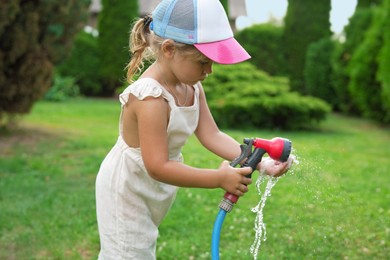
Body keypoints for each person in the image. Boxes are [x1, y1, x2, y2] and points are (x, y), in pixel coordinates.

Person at [95, 0, 293, 259]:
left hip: (153, 185)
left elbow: (212, 135)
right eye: (202, 62)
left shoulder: (192, 87)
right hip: (127, 188)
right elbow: (157, 165)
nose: (209, 70)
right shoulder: (151, 98)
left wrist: (260, 164)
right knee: (127, 253)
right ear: (169, 50)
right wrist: (218, 179)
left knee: (141, 249)